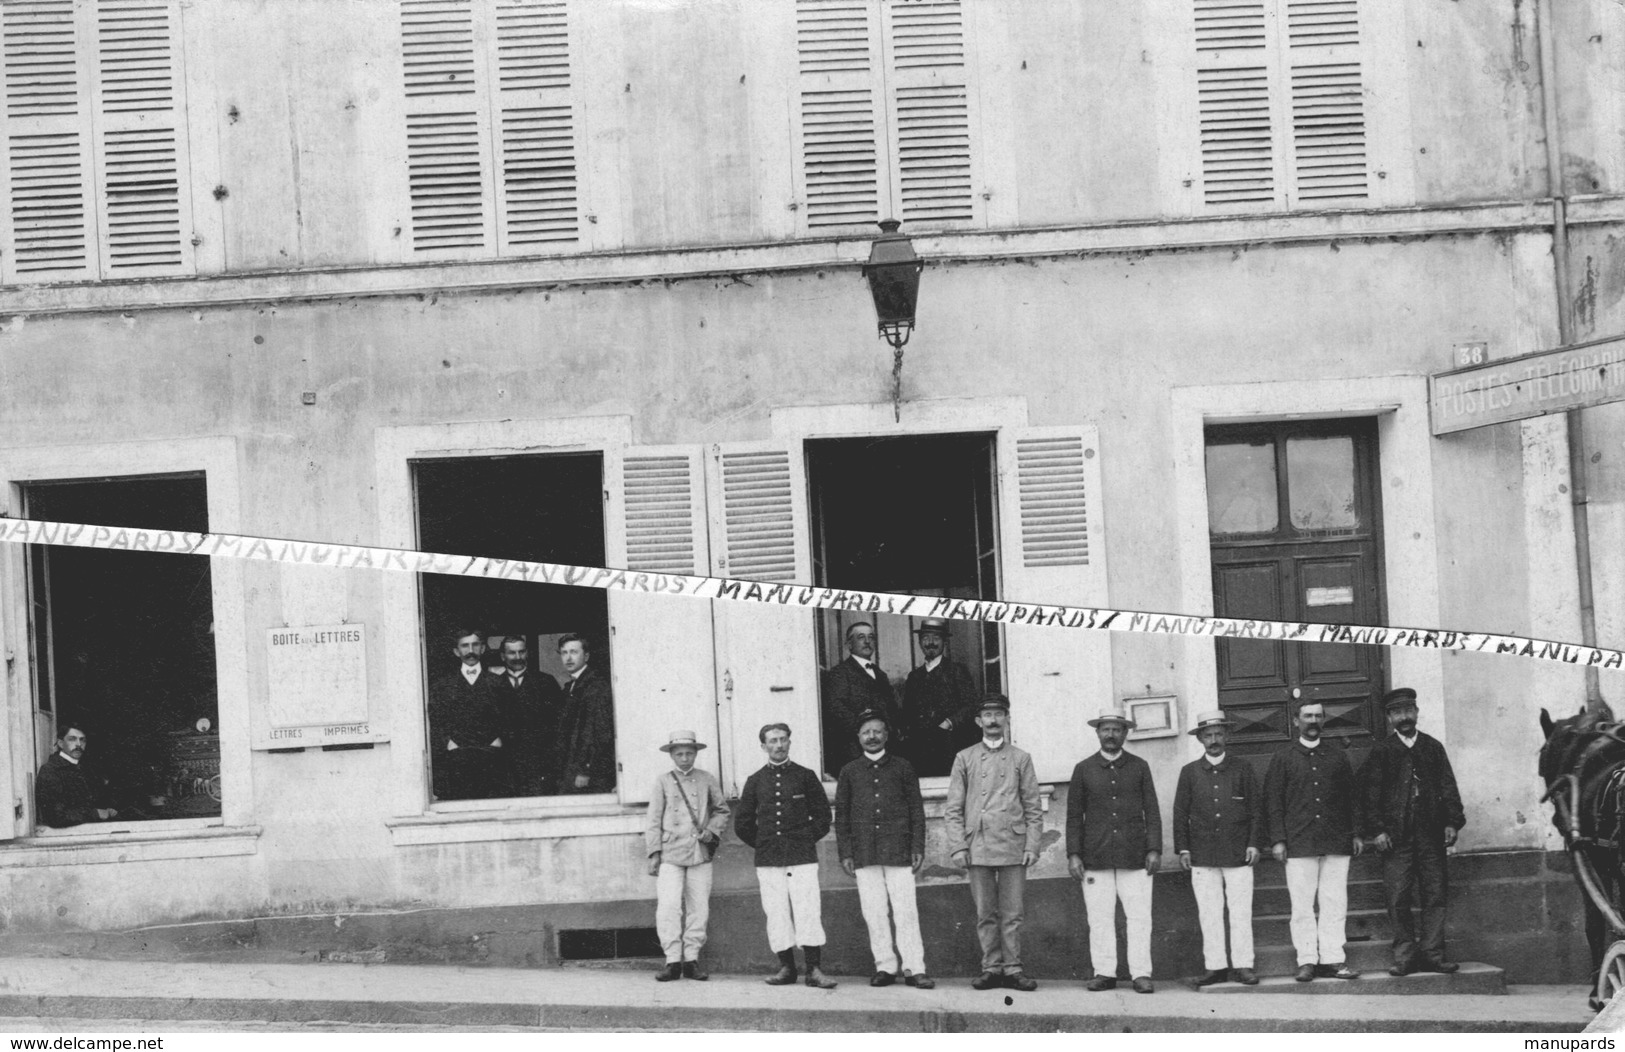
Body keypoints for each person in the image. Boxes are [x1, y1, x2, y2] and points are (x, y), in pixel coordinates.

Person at [1360, 687, 1466, 976]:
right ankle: (1404, 956)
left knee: (1435, 894)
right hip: (1396, 840)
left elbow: (1449, 788)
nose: (1404, 717)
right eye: (1397, 712)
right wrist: (1378, 831)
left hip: (1431, 836)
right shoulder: (1382, 752)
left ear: (1417, 713)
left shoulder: (1432, 748)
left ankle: (1433, 954)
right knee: (1398, 898)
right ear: (1389, 717)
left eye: (1409, 710)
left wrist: (1451, 822)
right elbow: (1371, 797)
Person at [944, 692, 1042, 992]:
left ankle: (1013, 969)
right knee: (985, 913)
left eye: (999, 714)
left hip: (1013, 844)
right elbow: (953, 808)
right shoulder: (965, 758)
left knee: (1012, 914)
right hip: (978, 844)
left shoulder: (1021, 758)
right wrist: (959, 846)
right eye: (987, 715)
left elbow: (1033, 807)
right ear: (978, 721)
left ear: (1007, 719)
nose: (993, 720)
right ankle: (991, 968)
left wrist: (1032, 845)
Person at [1264, 699, 1364, 982]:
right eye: (1307, 716)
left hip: (1336, 839)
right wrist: (1278, 840)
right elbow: (1273, 802)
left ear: (1323, 721)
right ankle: (1307, 959)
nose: (1313, 721)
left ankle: (1333, 958)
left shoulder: (1336, 757)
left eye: (1318, 716)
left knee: (1334, 901)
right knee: (1302, 904)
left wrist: (1356, 832)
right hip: (1299, 842)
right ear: (1296, 721)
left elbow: (1351, 798)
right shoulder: (1283, 758)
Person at [834, 710, 933, 989]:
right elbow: (841, 817)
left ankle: (915, 967)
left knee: (905, 911)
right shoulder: (849, 771)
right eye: (866, 732)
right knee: (874, 912)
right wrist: (846, 853)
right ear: (858, 737)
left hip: (899, 850)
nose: (872, 737)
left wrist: (917, 846)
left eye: (877, 731)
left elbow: (916, 810)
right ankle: (885, 967)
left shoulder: (902, 767)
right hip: (864, 853)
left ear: (886, 735)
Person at [734, 723, 837, 989]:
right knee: (776, 912)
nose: (778, 745)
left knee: (808, 910)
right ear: (763, 746)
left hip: (802, 856)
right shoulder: (755, 781)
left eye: (783, 740)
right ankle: (787, 968)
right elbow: (743, 823)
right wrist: (766, 844)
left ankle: (813, 970)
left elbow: (824, 817)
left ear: (790, 742)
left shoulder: (805, 775)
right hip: (769, 860)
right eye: (772, 741)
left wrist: (802, 839)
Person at [1067, 709, 1162, 994]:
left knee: (1139, 917)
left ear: (1125, 733)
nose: (1111, 735)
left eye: (1116, 730)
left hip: (1135, 856)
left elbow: (1153, 812)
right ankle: (1104, 972)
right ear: (1097, 733)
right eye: (1105, 729)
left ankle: (1141, 974)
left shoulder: (1139, 766)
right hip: (1095, 855)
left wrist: (1154, 848)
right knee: (1099, 918)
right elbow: (1074, 816)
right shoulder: (1083, 769)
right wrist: (1074, 853)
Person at [1173, 710, 1263, 986]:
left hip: (1238, 851)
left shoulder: (1242, 768)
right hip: (1202, 854)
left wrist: (1253, 843)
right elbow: (1180, 812)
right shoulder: (1189, 772)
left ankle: (1244, 965)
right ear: (1200, 738)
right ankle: (1215, 966)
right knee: (1209, 912)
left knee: (1240, 911)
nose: (1214, 740)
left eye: (1218, 734)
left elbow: (1255, 809)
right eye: (1208, 735)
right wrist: (1184, 849)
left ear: (1227, 736)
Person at [644, 730, 730, 982]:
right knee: (669, 908)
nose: (684, 758)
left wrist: (711, 830)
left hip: (699, 853)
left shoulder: (706, 779)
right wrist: (654, 852)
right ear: (672, 755)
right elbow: (653, 819)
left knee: (698, 907)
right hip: (671, 853)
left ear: (696, 754)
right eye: (679, 754)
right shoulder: (662, 781)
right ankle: (672, 960)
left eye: (689, 753)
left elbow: (722, 810)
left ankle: (691, 959)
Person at [426, 626, 504, 800]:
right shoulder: (443, 686)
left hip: (491, 755)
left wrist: (499, 741)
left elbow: (510, 717)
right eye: (465, 646)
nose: (470, 651)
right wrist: (448, 743)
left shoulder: (498, 683)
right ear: (456, 651)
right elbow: (436, 720)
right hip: (457, 757)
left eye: (475, 645)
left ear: (483, 649)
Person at [898, 618, 979, 777]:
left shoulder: (956, 671)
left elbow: (971, 706)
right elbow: (907, 712)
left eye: (936, 638)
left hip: (950, 745)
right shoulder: (914, 677)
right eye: (926, 638)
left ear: (944, 642)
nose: (930, 643)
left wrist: (949, 723)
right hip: (920, 749)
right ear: (920, 642)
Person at [489, 635, 564, 796]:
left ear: (527, 653)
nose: (517, 657)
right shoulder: (492, 684)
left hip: (539, 764)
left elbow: (558, 725)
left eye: (521, 652)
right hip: (505, 765)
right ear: (502, 656)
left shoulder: (546, 682)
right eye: (512, 653)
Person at [821, 621, 894, 774]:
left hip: (883, 751)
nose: (867, 642)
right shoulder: (840, 674)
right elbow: (836, 709)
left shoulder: (880, 675)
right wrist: (866, 732)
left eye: (871, 637)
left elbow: (890, 710)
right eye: (861, 637)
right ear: (849, 644)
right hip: (853, 752)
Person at [555, 633, 615, 794]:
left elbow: (599, 732)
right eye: (564, 652)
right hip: (571, 769)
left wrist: (585, 770)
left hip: (586, 774)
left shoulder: (595, 686)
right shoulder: (571, 687)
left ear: (586, 656)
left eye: (574, 652)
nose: (568, 658)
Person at [35, 724, 116, 828]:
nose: (79, 744)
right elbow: (55, 817)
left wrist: (108, 810)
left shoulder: (86, 768)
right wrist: (95, 813)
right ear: (60, 743)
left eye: (82, 740)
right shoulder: (51, 771)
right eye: (72, 739)